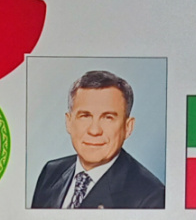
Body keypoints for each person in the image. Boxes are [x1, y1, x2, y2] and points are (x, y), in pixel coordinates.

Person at [30, 70, 165, 210]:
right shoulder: (51, 173)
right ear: (69, 122)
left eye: (108, 118)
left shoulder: (151, 197)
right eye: (85, 116)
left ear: (128, 127)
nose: (94, 131)